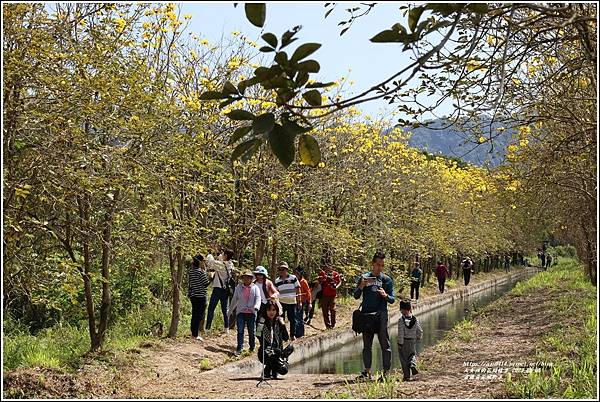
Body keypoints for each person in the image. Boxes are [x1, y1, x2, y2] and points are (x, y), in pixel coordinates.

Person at [353, 251, 395, 380]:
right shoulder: (364, 277)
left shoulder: (386, 280)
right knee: (367, 345)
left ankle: (386, 373)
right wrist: (361, 286)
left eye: (382, 265)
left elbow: (392, 300)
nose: (379, 267)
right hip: (366, 315)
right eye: (378, 264)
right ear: (372, 264)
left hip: (381, 315)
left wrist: (385, 295)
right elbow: (356, 296)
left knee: (385, 344)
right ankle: (367, 372)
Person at [256, 300, 295, 379]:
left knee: (284, 370)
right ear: (266, 311)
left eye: (274, 310)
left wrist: (283, 325)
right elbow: (258, 335)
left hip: (278, 352)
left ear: (277, 311)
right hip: (265, 352)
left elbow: (286, 338)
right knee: (275, 352)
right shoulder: (261, 321)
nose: (271, 312)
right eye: (269, 310)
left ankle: (274, 369)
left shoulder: (278, 321)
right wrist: (261, 325)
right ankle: (266, 372)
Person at [229, 270, 261, 356]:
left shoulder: (255, 288)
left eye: (248, 278)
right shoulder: (238, 288)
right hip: (241, 312)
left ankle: (252, 347)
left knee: (251, 331)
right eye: (244, 278)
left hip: (251, 312)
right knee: (240, 330)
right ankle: (239, 348)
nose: (246, 279)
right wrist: (230, 310)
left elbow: (258, 299)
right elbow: (234, 299)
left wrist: (256, 306)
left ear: (251, 279)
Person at [205, 248, 235, 332]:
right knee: (224, 309)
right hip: (225, 290)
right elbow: (220, 261)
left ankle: (207, 328)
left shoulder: (220, 265)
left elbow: (209, 262)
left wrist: (210, 253)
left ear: (225, 255)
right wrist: (219, 256)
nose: (221, 255)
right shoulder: (231, 264)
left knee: (211, 308)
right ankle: (226, 327)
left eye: (223, 254)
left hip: (217, 289)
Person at [274, 262, 302, 340]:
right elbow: (276, 292)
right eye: (280, 269)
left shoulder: (293, 278)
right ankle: (284, 336)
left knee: (292, 319)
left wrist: (299, 301)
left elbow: (298, 289)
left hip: (292, 302)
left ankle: (292, 335)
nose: (281, 271)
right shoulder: (277, 281)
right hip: (281, 303)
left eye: (283, 269)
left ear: (286, 270)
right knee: (281, 320)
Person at [397, 299, 423, 382]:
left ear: (402, 310)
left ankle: (406, 376)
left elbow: (401, 333)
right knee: (412, 355)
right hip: (412, 341)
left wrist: (400, 343)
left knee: (403, 359)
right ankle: (412, 364)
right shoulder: (415, 319)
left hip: (404, 342)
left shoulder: (401, 320)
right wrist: (418, 337)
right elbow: (420, 331)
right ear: (410, 309)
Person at [188, 254, 210, 341]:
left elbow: (190, 285)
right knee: (199, 316)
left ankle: (193, 333)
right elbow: (205, 284)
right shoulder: (200, 272)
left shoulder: (191, 272)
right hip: (201, 296)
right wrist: (212, 277)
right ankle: (196, 334)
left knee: (194, 314)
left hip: (194, 296)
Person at [318, 263, 342, 329]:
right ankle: (328, 326)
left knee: (333, 310)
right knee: (325, 311)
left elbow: (339, 282)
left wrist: (336, 287)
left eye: (329, 266)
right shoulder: (322, 273)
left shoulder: (335, 274)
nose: (328, 268)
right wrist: (323, 278)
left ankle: (333, 324)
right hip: (324, 295)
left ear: (331, 267)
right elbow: (319, 282)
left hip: (332, 295)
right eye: (326, 267)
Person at [294, 267, 311, 338]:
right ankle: (296, 333)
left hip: (301, 301)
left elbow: (308, 292)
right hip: (294, 301)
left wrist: (309, 303)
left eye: (296, 274)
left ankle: (301, 334)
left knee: (299, 317)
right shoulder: (293, 281)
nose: (295, 275)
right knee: (295, 317)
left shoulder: (303, 282)